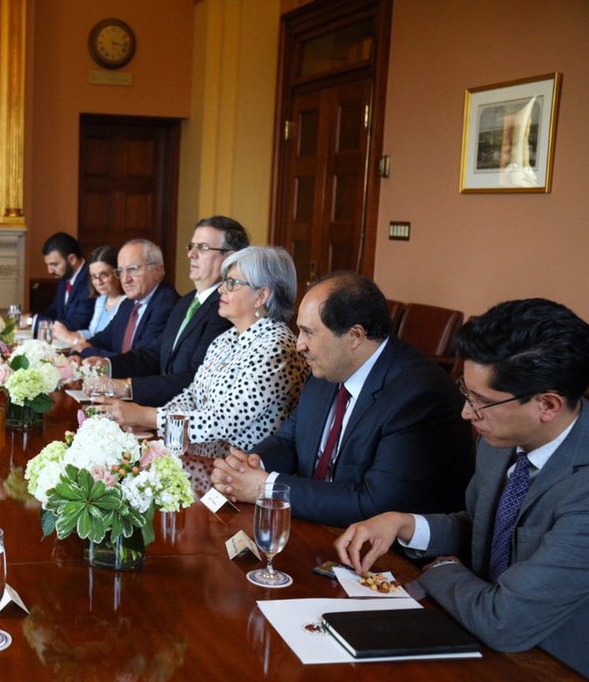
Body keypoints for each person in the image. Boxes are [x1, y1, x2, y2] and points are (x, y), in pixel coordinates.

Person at [334, 299, 589, 677]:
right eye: (466, 392)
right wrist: (404, 524)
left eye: (481, 401)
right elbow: (486, 528)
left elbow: (504, 621)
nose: (466, 413)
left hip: (545, 663)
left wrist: (442, 569)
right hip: (470, 628)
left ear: (547, 405)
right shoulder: (499, 438)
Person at [211, 272, 473, 527]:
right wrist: (250, 465)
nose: (299, 344)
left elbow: (374, 503)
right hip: (317, 524)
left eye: (308, 332)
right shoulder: (327, 368)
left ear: (355, 336)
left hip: (383, 547)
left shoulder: (418, 396)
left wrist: (266, 487)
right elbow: (289, 440)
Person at [94, 246, 309, 454]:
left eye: (232, 283)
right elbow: (192, 396)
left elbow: (223, 420)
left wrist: (145, 416)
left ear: (261, 296)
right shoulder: (227, 338)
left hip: (235, 469)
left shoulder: (277, 348)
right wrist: (154, 425)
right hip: (197, 458)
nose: (221, 289)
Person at [90, 216, 247, 406]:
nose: (191, 254)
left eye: (203, 247)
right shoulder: (185, 302)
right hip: (162, 409)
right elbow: (155, 353)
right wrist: (107, 365)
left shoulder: (226, 309)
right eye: (191, 247)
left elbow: (195, 378)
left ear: (229, 258)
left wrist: (127, 387)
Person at [75, 239, 179, 358]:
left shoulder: (166, 304)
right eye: (121, 271)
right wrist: (78, 352)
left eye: (132, 269)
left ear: (158, 270)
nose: (125, 280)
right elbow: (104, 338)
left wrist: (87, 352)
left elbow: (141, 359)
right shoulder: (128, 303)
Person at [51, 245, 125, 344]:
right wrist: (68, 333)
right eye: (94, 276)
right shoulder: (101, 299)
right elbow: (92, 334)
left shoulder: (127, 304)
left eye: (104, 275)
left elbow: (108, 342)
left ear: (118, 273)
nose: (98, 282)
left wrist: (70, 338)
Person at [34, 231, 95, 333]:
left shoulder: (90, 280)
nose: (49, 271)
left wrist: (33, 322)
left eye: (54, 264)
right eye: (48, 265)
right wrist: (33, 318)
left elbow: (77, 324)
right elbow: (53, 311)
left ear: (72, 259)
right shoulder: (65, 277)